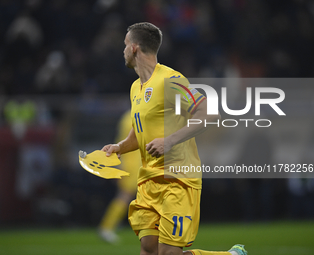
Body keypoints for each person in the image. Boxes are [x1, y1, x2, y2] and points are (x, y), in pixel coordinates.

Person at [101, 22, 247, 255]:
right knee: (149, 248)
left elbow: (209, 113)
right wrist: (118, 147)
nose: (123, 50)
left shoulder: (171, 80)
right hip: (149, 181)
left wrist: (169, 141)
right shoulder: (135, 88)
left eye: (125, 44)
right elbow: (139, 133)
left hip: (177, 180)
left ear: (135, 48)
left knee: (168, 253)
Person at [98, 109, 141, 243]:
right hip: (134, 163)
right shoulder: (138, 116)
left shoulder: (126, 116)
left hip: (129, 161)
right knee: (125, 195)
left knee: (128, 195)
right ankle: (106, 227)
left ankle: (110, 226)